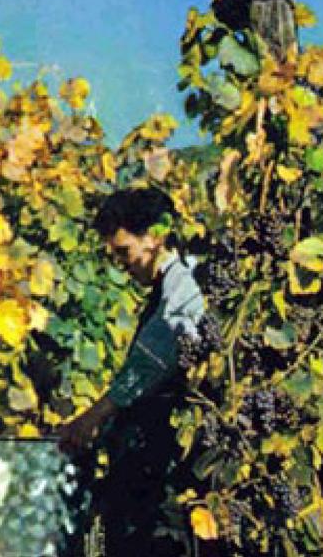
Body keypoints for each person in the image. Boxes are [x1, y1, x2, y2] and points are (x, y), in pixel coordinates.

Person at [58, 187, 205, 555]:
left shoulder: (182, 285)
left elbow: (153, 360)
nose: (122, 264)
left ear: (155, 237)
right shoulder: (167, 289)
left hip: (165, 464)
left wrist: (93, 417)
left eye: (124, 251)